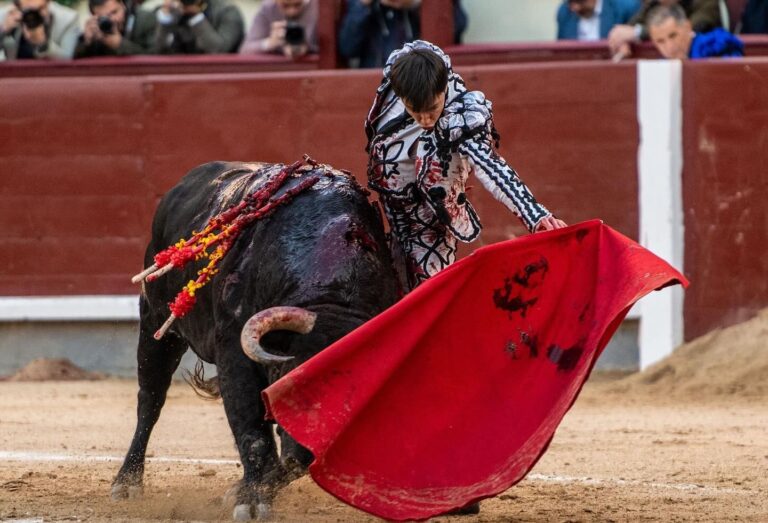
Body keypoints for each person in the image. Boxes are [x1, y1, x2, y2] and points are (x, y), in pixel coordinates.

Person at [365, 40, 566, 291]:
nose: (426, 120)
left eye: (432, 109)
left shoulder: (461, 116)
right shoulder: (400, 76)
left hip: (430, 217)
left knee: (429, 292)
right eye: (416, 112)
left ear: (443, 92)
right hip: (389, 202)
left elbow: (490, 167)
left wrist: (536, 216)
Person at [339, 0, 468, 68]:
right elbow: (347, 48)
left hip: (422, 82)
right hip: (376, 84)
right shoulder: (366, 6)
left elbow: (457, 27)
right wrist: (363, 5)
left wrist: (418, 4)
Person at [608, 0, 722, 59]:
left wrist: (638, 33)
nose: (669, 46)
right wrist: (623, 39)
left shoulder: (706, 2)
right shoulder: (655, 3)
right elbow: (627, 29)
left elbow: (693, 26)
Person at [647, 4, 743, 58]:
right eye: (660, 41)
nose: (669, 47)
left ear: (687, 27)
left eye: (673, 36)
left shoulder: (715, 45)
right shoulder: (659, 67)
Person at [155, 0, 243, 54]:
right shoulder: (166, 12)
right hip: (178, 76)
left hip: (217, 77)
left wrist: (195, 16)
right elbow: (156, 50)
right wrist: (165, 19)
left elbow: (219, 51)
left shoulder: (227, 12)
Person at [75, 0, 157, 58]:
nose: (112, 19)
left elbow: (156, 57)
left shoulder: (145, 19)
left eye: (114, 12)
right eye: (104, 17)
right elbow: (75, 62)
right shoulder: (96, 29)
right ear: (94, 17)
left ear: (122, 5)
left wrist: (119, 44)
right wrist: (86, 42)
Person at [0, 0, 78, 59]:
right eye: (28, 11)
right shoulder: (5, 16)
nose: (33, 16)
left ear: (48, 3)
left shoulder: (67, 19)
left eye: (39, 9)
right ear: (17, 6)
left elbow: (68, 59)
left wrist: (44, 44)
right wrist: (3, 31)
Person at [239, 0, 317, 58]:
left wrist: (308, 48)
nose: (292, 11)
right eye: (285, 6)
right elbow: (245, 50)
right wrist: (270, 43)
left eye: (297, 5)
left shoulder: (320, 7)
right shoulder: (268, 8)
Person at [556, 0, 641, 41]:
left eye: (580, 1)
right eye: (570, 2)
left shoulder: (626, 8)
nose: (575, 8)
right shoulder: (564, 12)